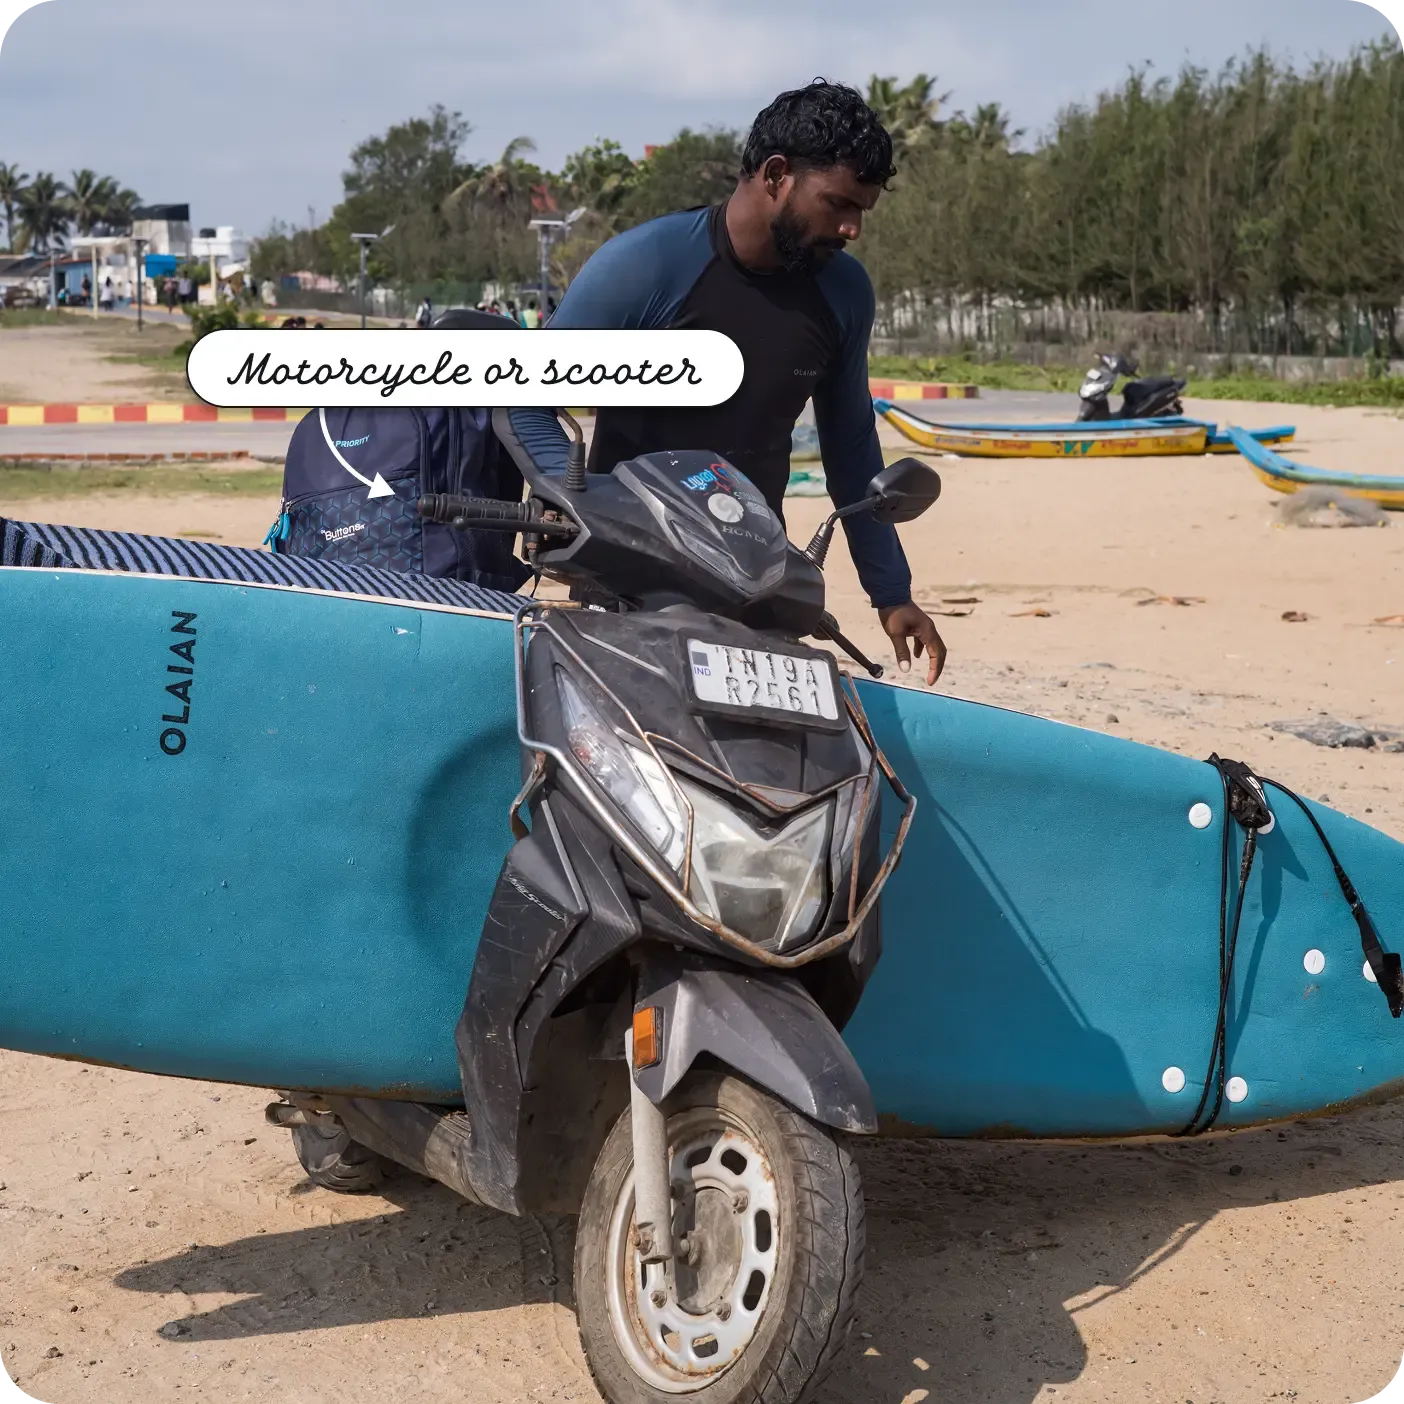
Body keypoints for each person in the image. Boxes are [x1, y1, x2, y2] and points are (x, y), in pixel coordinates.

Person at [511, 79, 946, 684]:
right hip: (630, 585)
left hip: (755, 582)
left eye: (861, 212)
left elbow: (850, 448)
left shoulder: (843, 292)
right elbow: (523, 398)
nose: (853, 230)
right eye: (839, 205)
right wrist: (579, 502)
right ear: (776, 176)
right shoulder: (650, 265)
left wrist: (891, 593)